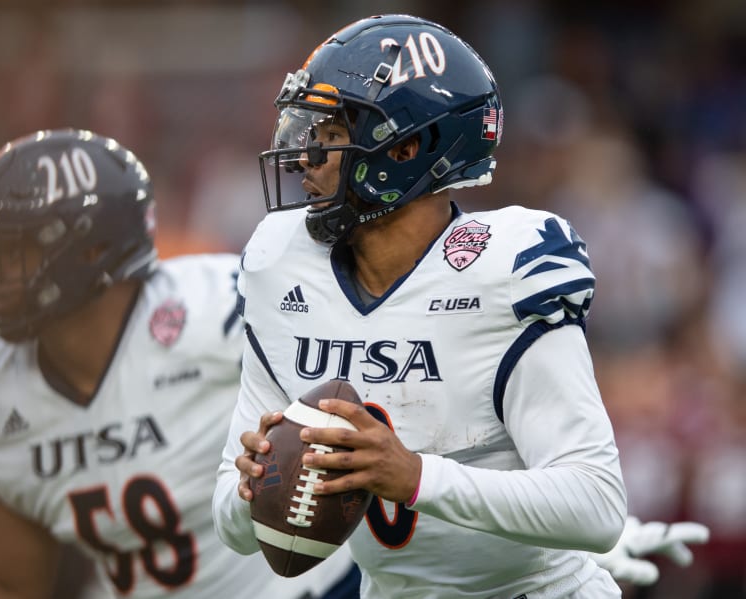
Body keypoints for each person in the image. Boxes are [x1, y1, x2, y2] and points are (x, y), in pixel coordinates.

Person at [212, 14, 709, 598]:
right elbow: (233, 526)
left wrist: (416, 476)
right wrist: (256, 487)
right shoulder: (280, 262)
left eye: (330, 133)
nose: (304, 159)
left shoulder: (503, 270)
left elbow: (596, 505)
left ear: (406, 147)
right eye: (306, 130)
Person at [0, 128, 353, 599]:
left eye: (17, 250)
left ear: (90, 249)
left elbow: (356, 369)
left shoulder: (217, 308)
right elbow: (10, 582)